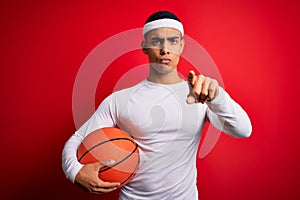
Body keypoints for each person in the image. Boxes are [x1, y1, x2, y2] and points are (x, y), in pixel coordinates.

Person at [62, 10, 252, 200]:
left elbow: (243, 130)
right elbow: (78, 138)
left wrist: (217, 97)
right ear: (145, 46)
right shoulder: (120, 100)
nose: (165, 49)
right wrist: (75, 173)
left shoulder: (201, 93)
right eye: (156, 41)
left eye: (173, 41)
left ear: (182, 46)